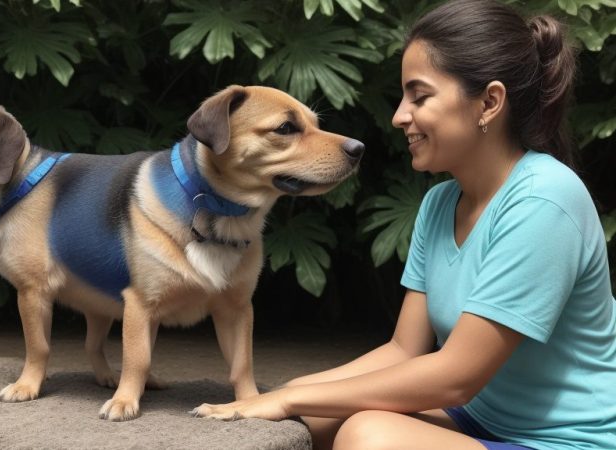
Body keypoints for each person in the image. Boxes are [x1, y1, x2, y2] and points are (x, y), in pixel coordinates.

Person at [191, 1, 616, 449]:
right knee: (301, 411)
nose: (399, 116)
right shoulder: (440, 202)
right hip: (480, 420)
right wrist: (287, 396)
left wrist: (290, 400)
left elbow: (456, 377)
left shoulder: (543, 198)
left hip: (569, 441)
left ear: (489, 102)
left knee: (368, 436)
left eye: (420, 96)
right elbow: (403, 350)